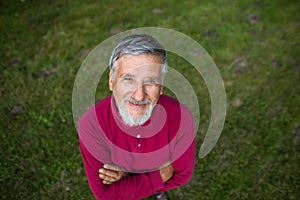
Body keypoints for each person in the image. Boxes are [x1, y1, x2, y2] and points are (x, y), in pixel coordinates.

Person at [78, 34, 196, 200]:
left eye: (151, 81)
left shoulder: (181, 117)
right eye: (128, 79)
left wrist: (128, 180)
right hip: (159, 175)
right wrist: (161, 175)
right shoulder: (91, 125)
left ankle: (158, 192)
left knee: (141, 191)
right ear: (111, 82)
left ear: (161, 86)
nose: (139, 96)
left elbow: (182, 176)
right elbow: (104, 195)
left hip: (133, 182)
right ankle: (157, 189)